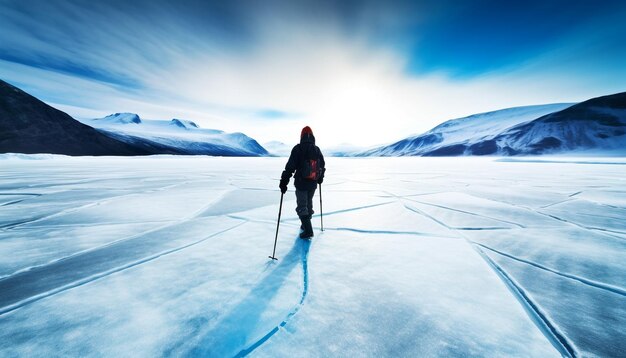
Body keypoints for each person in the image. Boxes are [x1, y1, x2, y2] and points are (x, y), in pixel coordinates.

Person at [279, 126, 325, 239]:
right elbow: (322, 166)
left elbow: (290, 167)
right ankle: (305, 225)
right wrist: (320, 178)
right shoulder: (317, 149)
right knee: (308, 204)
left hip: (301, 183)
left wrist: (284, 181)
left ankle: (308, 231)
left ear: (301, 136)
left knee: (302, 206)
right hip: (313, 183)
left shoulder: (298, 148)